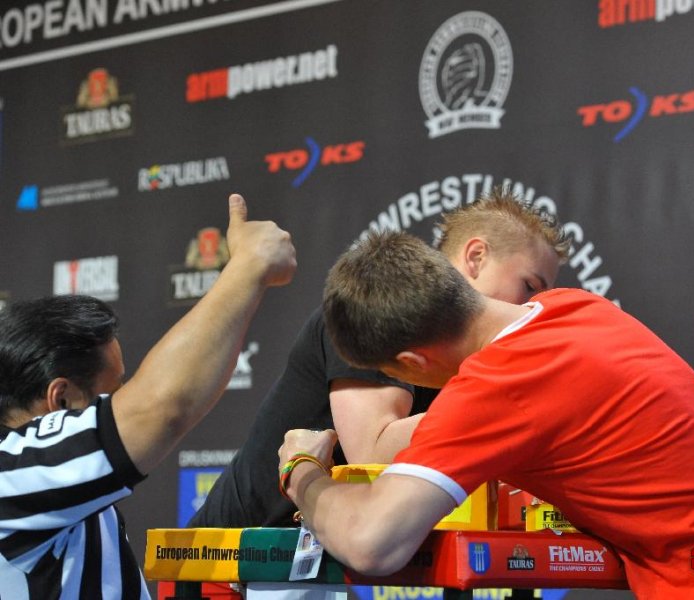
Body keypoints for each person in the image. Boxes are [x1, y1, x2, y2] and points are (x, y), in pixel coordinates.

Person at [277, 231, 694, 599]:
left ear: (410, 362)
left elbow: (374, 542)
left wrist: (302, 470)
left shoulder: (495, 384)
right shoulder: (574, 307)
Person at [190, 190, 569, 528]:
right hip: (226, 563)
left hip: (320, 560)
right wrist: (517, 408)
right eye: (530, 286)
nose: (532, 306)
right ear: (476, 257)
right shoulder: (378, 305)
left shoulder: (477, 356)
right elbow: (373, 449)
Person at [0, 194, 296, 598]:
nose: (122, 403)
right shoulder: (11, 474)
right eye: (113, 394)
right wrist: (249, 268)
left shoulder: (48, 488)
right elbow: (162, 408)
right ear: (62, 400)